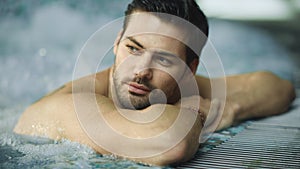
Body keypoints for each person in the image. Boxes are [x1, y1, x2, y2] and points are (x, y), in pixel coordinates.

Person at [14, 0, 295, 166]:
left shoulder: (180, 86)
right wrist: (200, 110)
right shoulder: (72, 105)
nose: (141, 71)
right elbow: (169, 142)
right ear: (116, 43)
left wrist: (227, 108)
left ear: (190, 68)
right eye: (133, 49)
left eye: (163, 60)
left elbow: (277, 88)